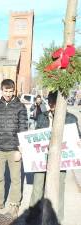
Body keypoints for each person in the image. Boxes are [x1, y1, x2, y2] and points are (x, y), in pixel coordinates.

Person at [26, 91, 81, 224]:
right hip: (42, 158)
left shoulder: (71, 118)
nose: (51, 104)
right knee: (38, 186)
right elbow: (34, 136)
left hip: (61, 159)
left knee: (58, 188)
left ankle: (56, 218)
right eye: (50, 101)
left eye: (54, 102)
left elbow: (77, 137)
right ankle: (33, 216)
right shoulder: (42, 117)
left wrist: (78, 142)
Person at [0, 79, 28, 219]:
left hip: (13, 149)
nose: (8, 94)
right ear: (1, 90)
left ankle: (14, 205)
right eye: (6, 91)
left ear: (14, 91)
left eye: (11, 91)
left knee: (15, 179)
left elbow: (23, 128)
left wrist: (20, 149)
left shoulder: (20, 107)